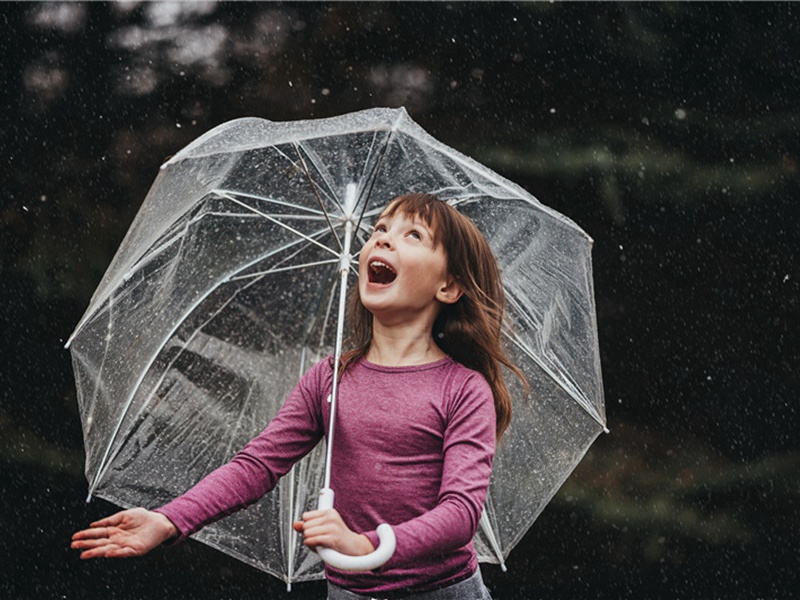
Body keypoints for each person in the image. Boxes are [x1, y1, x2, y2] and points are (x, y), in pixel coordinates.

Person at [72, 193, 526, 599]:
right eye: (379, 230)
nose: (383, 241)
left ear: (448, 287)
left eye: (412, 235)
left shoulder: (463, 389)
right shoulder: (330, 378)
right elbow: (257, 466)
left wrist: (367, 545)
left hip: (443, 592)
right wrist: (171, 519)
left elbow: (460, 513)